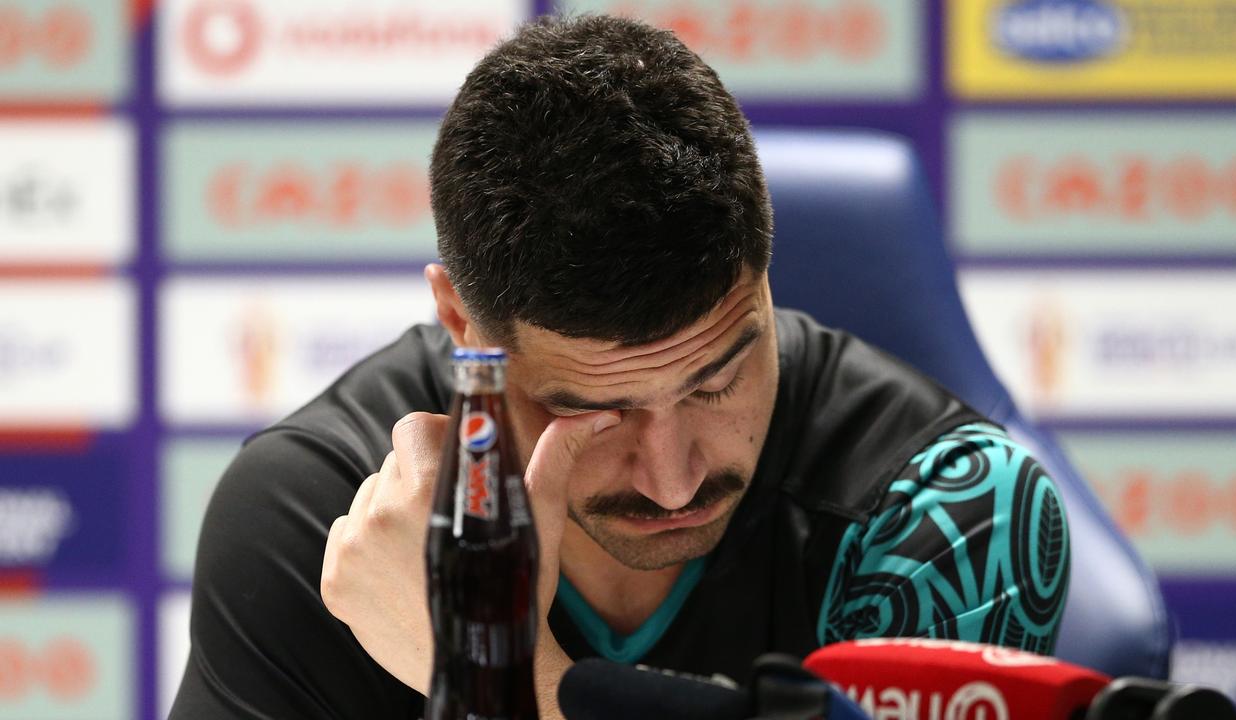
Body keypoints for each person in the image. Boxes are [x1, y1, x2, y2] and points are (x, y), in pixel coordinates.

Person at [169, 14, 1070, 720]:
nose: (675, 481)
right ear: (462, 325)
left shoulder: (949, 512)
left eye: (718, 380)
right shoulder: (318, 513)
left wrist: (502, 681)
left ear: (764, 275)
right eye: (596, 411)